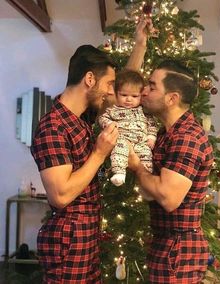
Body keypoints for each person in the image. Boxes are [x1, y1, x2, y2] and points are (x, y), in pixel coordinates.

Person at [30, 19, 153, 283]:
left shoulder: (82, 116)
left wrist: (140, 45)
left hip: (87, 235)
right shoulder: (52, 126)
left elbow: (125, 94)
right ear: (89, 79)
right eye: (109, 84)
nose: (113, 92)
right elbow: (60, 195)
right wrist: (99, 154)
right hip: (68, 240)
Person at [128, 59, 214, 282]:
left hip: (179, 252)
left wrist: (137, 166)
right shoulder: (167, 134)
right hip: (167, 245)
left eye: (153, 86)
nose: (144, 91)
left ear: (172, 98)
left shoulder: (186, 137)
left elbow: (168, 197)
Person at [98, 69, 157, 196]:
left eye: (134, 96)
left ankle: (147, 188)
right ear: (116, 94)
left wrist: (151, 137)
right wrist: (109, 124)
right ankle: (119, 172)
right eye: (124, 95)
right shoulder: (113, 110)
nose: (129, 99)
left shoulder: (144, 112)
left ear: (141, 96)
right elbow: (102, 119)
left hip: (142, 143)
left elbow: (151, 125)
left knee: (147, 160)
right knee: (119, 150)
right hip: (123, 140)